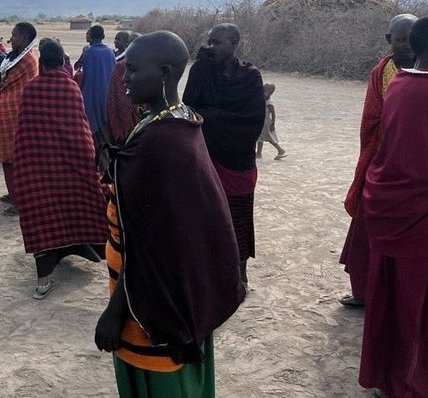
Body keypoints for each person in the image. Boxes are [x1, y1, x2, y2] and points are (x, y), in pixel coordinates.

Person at [95, 32, 245, 398]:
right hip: (166, 288)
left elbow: (151, 245)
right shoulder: (178, 120)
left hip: (150, 300)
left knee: (163, 384)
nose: (124, 78)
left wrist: (115, 310)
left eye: (131, 69)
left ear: (163, 71)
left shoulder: (161, 142)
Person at [358, 16, 428, 398]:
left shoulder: (399, 83)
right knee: (416, 307)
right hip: (418, 217)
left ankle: (388, 377)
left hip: (393, 205)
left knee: (395, 303)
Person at [11, 39, 108, 299]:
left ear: (41, 62)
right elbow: (81, 131)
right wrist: (88, 162)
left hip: (38, 169)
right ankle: (80, 248)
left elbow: (24, 134)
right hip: (70, 165)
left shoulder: (31, 89)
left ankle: (44, 280)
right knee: (76, 205)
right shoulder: (70, 87)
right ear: (64, 62)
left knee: (43, 213)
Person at [340, 13, 418, 308]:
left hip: (418, 170)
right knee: (368, 226)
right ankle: (364, 290)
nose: (407, 46)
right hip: (382, 163)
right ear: (389, 40)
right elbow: (371, 121)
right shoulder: (381, 72)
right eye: (400, 40)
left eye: (412, 40)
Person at [183, 23, 265, 286]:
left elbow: (252, 121)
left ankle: (239, 273)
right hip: (206, 157)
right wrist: (200, 67)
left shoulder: (250, 76)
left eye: (218, 42)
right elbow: (190, 110)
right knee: (205, 217)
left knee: (238, 217)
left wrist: (212, 117)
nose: (211, 47)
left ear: (235, 43)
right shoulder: (202, 71)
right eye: (209, 41)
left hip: (237, 160)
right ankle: (208, 273)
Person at [0, 22, 39, 215]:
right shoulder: (15, 57)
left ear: (25, 38)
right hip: (7, 114)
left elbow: (20, 91)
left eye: (15, 35)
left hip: (17, 115)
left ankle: (20, 201)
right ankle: (13, 193)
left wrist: (3, 102)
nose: (11, 38)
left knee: (16, 160)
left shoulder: (28, 61)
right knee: (8, 160)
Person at [101, 32, 141, 149]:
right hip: (123, 118)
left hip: (141, 119)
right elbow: (114, 94)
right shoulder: (120, 66)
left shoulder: (147, 66)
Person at [80, 25, 117, 134]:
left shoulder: (90, 52)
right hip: (107, 91)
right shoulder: (110, 52)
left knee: (92, 122)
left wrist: (82, 92)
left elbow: (86, 75)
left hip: (92, 91)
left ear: (90, 37)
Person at [256, 83, 286, 160]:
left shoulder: (269, 102)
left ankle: (280, 150)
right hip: (262, 121)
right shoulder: (264, 100)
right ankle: (258, 154)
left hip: (266, 123)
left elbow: (273, 113)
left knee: (269, 137)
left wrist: (273, 124)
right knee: (260, 137)